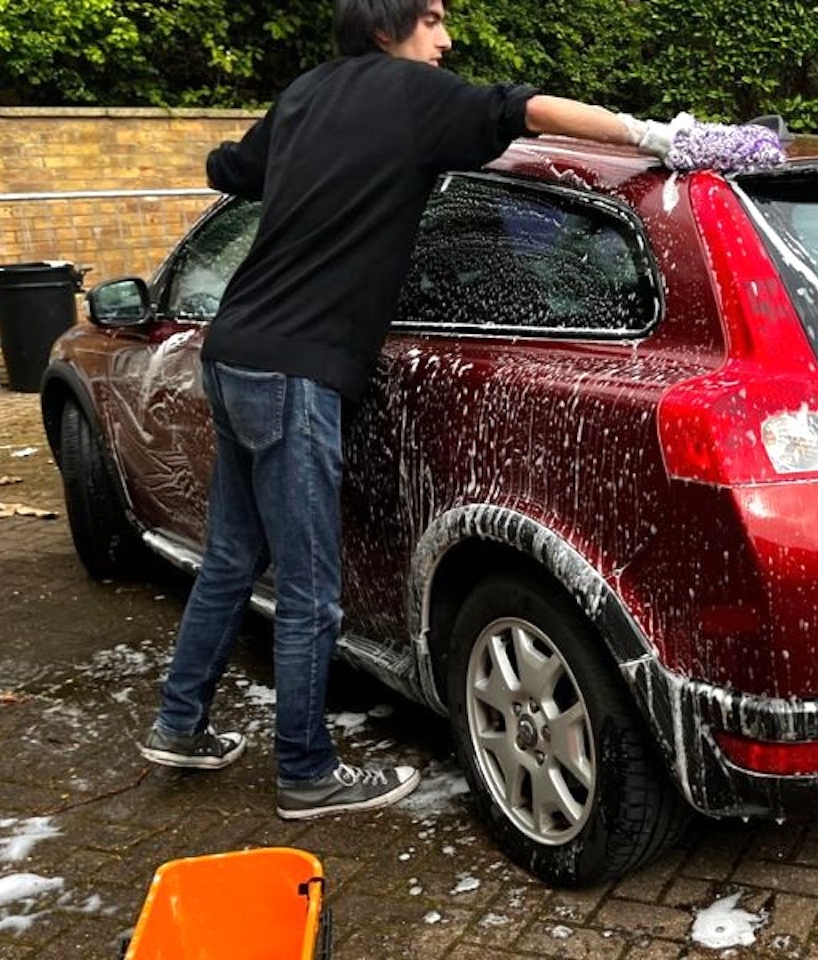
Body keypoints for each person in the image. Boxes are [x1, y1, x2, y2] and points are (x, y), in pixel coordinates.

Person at [137, 0, 678, 819]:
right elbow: (525, 109)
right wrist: (652, 137)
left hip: (233, 349)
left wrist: (236, 158)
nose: (447, 38)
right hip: (296, 371)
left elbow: (234, 169)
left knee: (231, 558)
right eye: (433, 18)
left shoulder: (307, 93)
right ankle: (306, 772)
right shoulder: (415, 95)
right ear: (389, 23)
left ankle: (179, 723)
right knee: (314, 592)